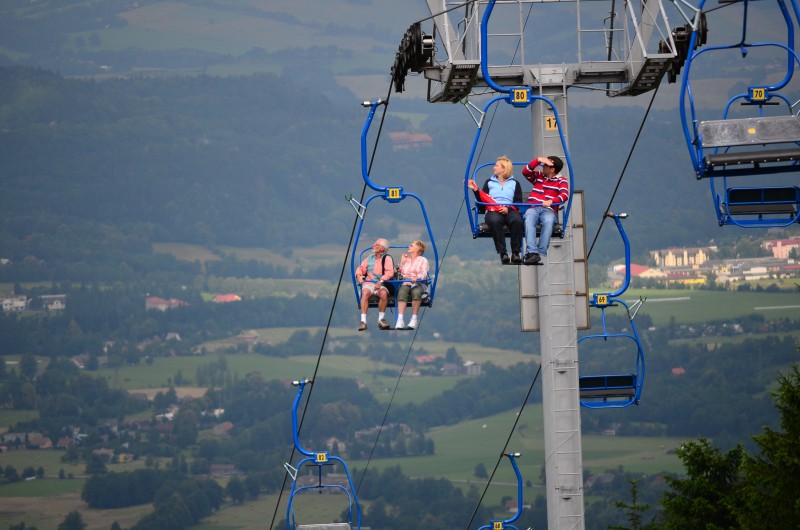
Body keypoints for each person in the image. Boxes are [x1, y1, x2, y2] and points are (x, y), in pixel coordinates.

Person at [467, 155, 524, 264]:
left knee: (517, 221)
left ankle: (516, 252)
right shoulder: (489, 182)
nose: (494, 168)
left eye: (496, 166)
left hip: (509, 209)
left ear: (504, 168)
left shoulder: (514, 183)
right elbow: (482, 198)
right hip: (493, 209)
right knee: (494, 221)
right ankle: (503, 253)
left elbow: (517, 201)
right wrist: (475, 190)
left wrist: (507, 208)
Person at [521, 155, 569, 265]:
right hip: (533, 207)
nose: (542, 167)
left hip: (549, 210)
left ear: (552, 169)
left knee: (548, 221)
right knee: (529, 219)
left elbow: (564, 195)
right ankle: (533, 252)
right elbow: (525, 172)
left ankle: (540, 251)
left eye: (545, 165)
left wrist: (551, 201)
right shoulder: (539, 176)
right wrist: (538, 160)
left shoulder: (561, 181)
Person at [355, 238, 394, 331]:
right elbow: (361, 268)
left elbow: (389, 272)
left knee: (384, 294)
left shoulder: (387, 258)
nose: (373, 246)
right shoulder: (369, 258)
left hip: (381, 283)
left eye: (376, 245)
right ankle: (363, 321)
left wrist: (380, 282)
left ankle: (381, 319)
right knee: (365, 293)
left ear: (382, 248)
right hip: (369, 283)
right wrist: (359, 275)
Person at [394, 240, 430, 330]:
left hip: (418, 283)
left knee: (416, 292)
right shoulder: (407, 260)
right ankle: (400, 319)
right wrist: (402, 262)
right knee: (402, 292)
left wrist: (416, 278)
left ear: (418, 249)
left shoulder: (423, 260)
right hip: (406, 282)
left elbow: (424, 273)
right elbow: (399, 272)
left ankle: (414, 319)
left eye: (411, 245)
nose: (409, 246)